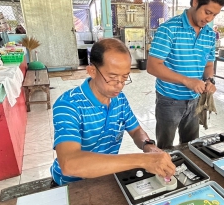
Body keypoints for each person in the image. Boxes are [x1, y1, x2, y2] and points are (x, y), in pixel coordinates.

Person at [50, 38, 175, 186]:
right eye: (113, 77)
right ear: (92, 71)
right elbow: (69, 164)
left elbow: (136, 131)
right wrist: (142, 160)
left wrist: (149, 146)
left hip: (105, 176)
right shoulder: (68, 105)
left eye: (124, 77)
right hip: (72, 185)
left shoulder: (119, 99)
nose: (120, 85)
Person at [147, 0, 224, 149]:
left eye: (215, 14)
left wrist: (209, 80)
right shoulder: (168, 29)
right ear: (195, 0)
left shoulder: (209, 34)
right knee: (165, 147)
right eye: (207, 12)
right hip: (169, 101)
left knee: (191, 146)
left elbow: (208, 65)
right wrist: (187, 80)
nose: (209, 19)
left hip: (194, 101)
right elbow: (153, 66)